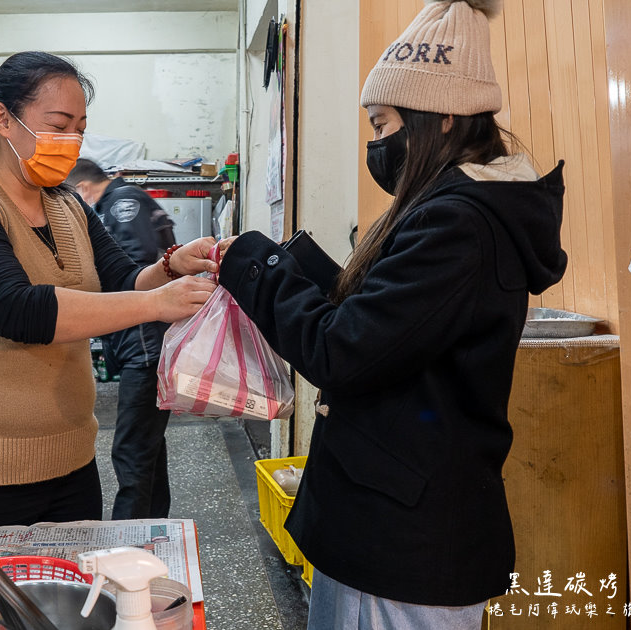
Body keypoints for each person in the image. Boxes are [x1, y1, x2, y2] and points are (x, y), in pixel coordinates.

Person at [216, 1, 566, 626]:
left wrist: (250, 264)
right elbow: (391, 323)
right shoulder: (465, 209)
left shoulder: (458, 222)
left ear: (444, 116)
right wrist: (288, 262)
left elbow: (344, 351)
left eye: (383, 125)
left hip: (403, 542)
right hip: (406, 520)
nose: (377, 145)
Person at [0, 51, 219, 528]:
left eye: (79, 129)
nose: (70, 142)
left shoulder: (68, 205)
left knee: (65, 600)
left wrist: (173, 266)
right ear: (3, 118)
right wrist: (155, 303)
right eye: (58, 125)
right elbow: (20, 312)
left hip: (69, 463)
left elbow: (124, 279)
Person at [66, 158, 173, 520]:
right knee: (147, 449)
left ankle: (126, 541)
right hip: (146, 346)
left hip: (145, 348)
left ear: (81, 190)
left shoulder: (119, 202)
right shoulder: (126, 199)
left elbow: (133, 265)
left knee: (130, 452)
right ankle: (154, 530)